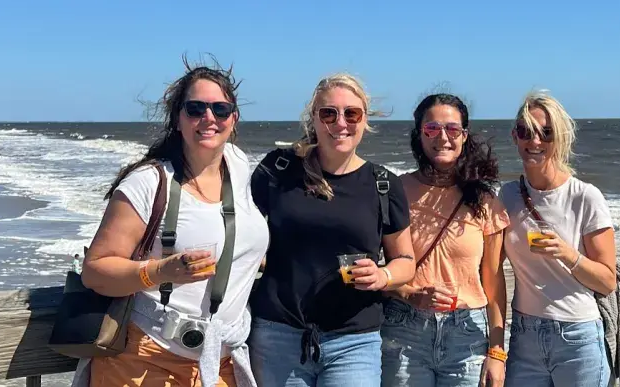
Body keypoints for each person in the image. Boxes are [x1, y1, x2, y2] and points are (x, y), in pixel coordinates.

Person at [79, 61, 269, 387]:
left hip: (219, 361)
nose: (209, 118)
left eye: (221, 109)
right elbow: (95, 271)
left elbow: (236, 233)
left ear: (233, 119)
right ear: (178, 118)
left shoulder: (238, 166)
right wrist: (159, 271)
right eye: (196, 108)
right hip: (146, 355)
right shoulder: (148, 183)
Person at [249, 73, 417, 387]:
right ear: (313, 118)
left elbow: (406, 261)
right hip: (279, 335)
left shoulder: (383, 184)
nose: (340, 123)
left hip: (354, 341)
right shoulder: (278, 169)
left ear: (364, 120)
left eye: (351, 113)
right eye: (329, 113)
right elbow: (242, 232)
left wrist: (383, 276)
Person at [381, 94, 511, 387]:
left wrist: (497, 351)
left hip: (467, 333)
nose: (443, 137)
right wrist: (410, 294)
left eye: (452, 129)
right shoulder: (394, 191)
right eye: (432, 128)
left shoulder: (484, 200)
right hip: (405, 329)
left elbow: (492, 281)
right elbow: (380, 271)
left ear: (464, 136)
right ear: (419, 135)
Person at [500, 91, 616, 387]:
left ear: (560, 138)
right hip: (524, 334)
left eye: (546, 133)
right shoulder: (508, 196)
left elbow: (607, 280)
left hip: (576, 336)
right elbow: (487, 262)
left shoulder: (585, 196)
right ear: (515, 136)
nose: (535, 141)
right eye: (526, 132)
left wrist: (568, 254)